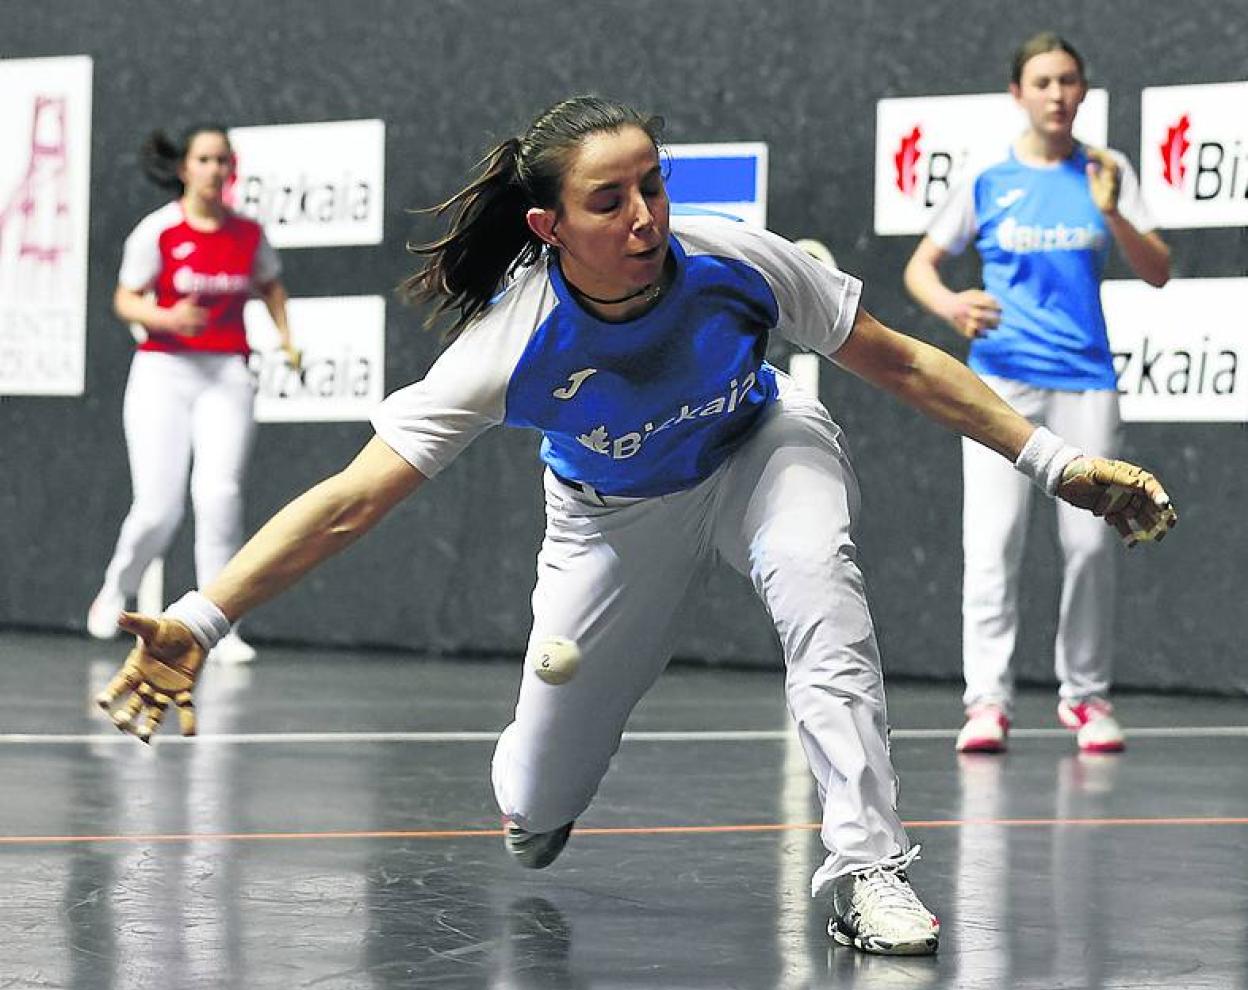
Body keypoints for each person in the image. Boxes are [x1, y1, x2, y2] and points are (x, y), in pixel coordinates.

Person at [94, 96, 1175, 957]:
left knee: (823, 593)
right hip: (607, 521)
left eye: (652, 186)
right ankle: (535, 793)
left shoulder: (735, 261)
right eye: (610, 202)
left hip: (758, 447)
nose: (646, 218)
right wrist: (200, 618)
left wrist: (1055, 461)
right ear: (547, 225)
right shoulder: (508, 343)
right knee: (534, 805)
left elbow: (895, 358)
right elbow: (353, 498)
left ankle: (869, 871)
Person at [903, 33, 1171, 756]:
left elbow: (1158, 270)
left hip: (1084, 377)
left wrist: (1113, 213)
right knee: (992, 544)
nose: (1057, 94)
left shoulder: (1107, 171)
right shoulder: (989, 181)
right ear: (1018, 93)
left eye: (1069, 81)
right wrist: (954, 307)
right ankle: (986, 703)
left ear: (1083, 92)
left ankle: (1086, 699)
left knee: (1089, 545)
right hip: (999, 382)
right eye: (1043, 82)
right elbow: (921, 267)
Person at [86, 124, 298, 664]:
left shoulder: (248, 234)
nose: (214, 170)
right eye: (204, 159)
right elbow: (125, 300)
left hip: (226, 373)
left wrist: (287, 338)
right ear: (185, 168)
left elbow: (270, 285)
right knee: (158, 509)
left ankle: (218, 624)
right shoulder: (157, 232)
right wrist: (168, 317)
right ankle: (118, 585)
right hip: (163, 372)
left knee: (220, 496)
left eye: (223, 160)